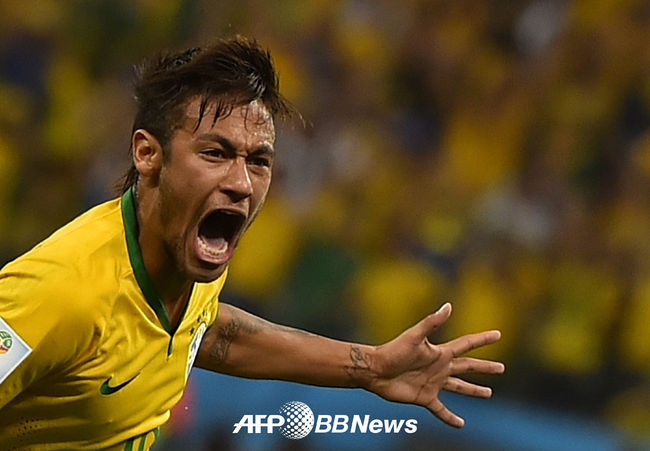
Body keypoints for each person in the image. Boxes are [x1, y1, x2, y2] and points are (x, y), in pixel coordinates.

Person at [0, 36, 504, 450]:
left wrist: (370, 367)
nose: (242, 183)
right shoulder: (61, 293)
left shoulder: (185, 261)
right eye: (215, 153)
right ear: (148, 154)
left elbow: (208, 332)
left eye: (258, 161)